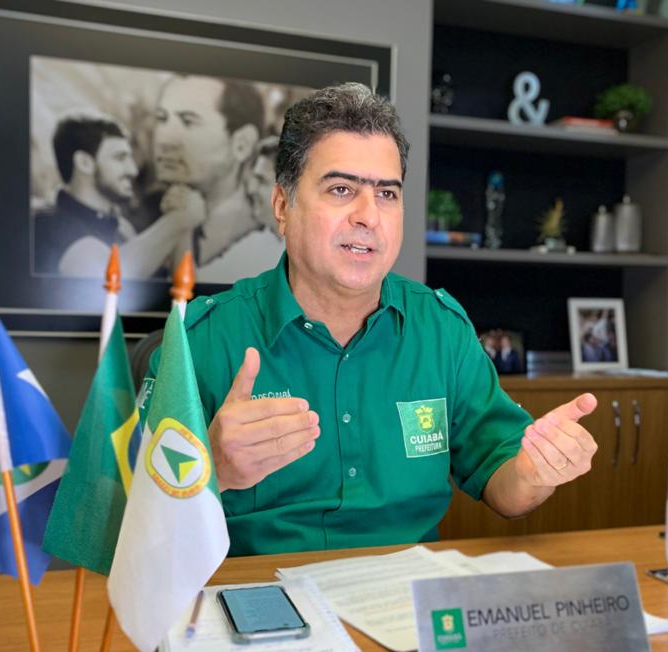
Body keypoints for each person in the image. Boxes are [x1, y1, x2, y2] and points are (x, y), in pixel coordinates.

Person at [146, 83, 598, 556]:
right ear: (282, 206)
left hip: (403, 589)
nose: (369, 216)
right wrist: (212, 469)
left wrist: (536, 471)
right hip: (259, 590)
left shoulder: (440, 328)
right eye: (341, 190)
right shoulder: (201, 340)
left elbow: (506, 488)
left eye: (386, 193)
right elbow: (130, 525)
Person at [34, 113, 202, 279]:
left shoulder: (122, 228)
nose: (133, 170)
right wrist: (179, 220)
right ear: (84, 163)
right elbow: (109, 278)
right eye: (120, 158)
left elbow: (184, 289)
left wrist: (182, 218)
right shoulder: (45, 224)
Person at [151, 75, 284, 283]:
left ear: (241, 143)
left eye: (188, 121)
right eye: (161, 119)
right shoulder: (260, 242)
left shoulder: (271, 236)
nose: (165, 139)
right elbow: (193, 289)